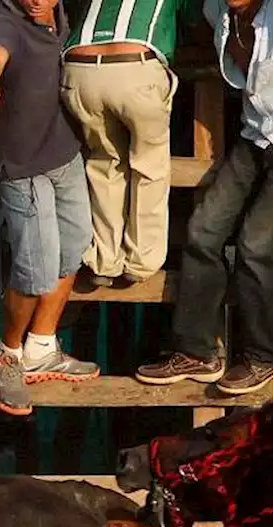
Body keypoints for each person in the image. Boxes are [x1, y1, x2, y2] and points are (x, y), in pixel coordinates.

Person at [136, 0, 274, 394]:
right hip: (255, 136)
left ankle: (263, 356)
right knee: (203, 230)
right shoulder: (218, 10)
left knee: (257, 245)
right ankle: (197, 352)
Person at [0, 0, 99, 416]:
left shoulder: (62, 17)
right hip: (23, 166)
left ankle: (42, 345)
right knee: (34, 269)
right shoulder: (4, 20)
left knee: (76, 244)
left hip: (64, 154)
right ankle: (7, 355)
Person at [62, 0, 194, 288]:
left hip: (79, 68)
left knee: (103, 162)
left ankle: (103, 259)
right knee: (149, 167)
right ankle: (140, 261)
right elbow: (195, 20)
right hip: (135, 66)